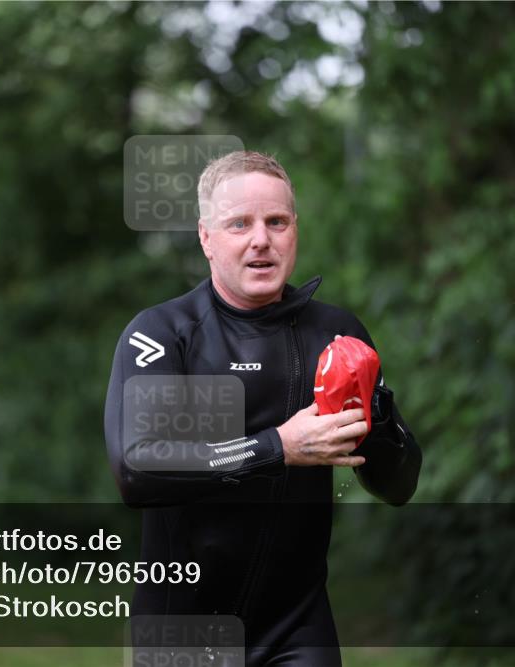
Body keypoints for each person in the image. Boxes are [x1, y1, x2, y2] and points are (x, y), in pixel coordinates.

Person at [105, 151, 422, 666]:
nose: (261, 240)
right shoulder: (164, 336)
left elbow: (399, 485)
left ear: (295, 229)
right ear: (206, 237)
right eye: (239, 224)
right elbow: (138, 470)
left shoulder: (333, 334)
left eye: (277, 222)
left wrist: (378, 418)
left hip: (297, 627)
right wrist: (279, 447)